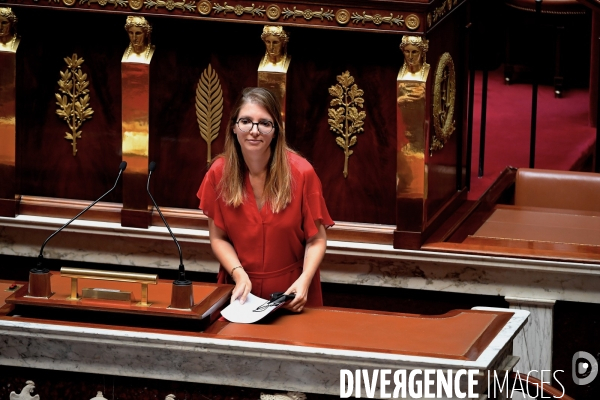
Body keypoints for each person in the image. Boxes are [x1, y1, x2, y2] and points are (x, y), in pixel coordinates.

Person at [197, 87, 333, 312]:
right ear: (234, 127)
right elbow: (218, 237)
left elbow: (316, 239)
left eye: (264, 123)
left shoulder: (302, 173)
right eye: (246, 121)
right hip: (239, 294)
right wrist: (238, 274)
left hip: (290, 295)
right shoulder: (217, 173)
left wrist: (305, 280)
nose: (254, 130)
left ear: (276, 131)